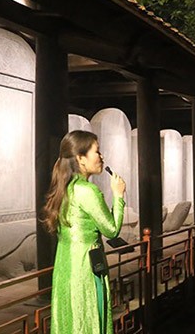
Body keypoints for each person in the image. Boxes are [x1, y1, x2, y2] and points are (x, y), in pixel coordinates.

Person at [43, 130, 126, 334]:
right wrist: (118, 196)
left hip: (64, 267)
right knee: (88, 320)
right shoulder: (87, 190)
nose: (101, 157)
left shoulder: (66, 188)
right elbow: (112, 230)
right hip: (86, 268)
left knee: (69, 322)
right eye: (97, 152)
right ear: (80, 158)